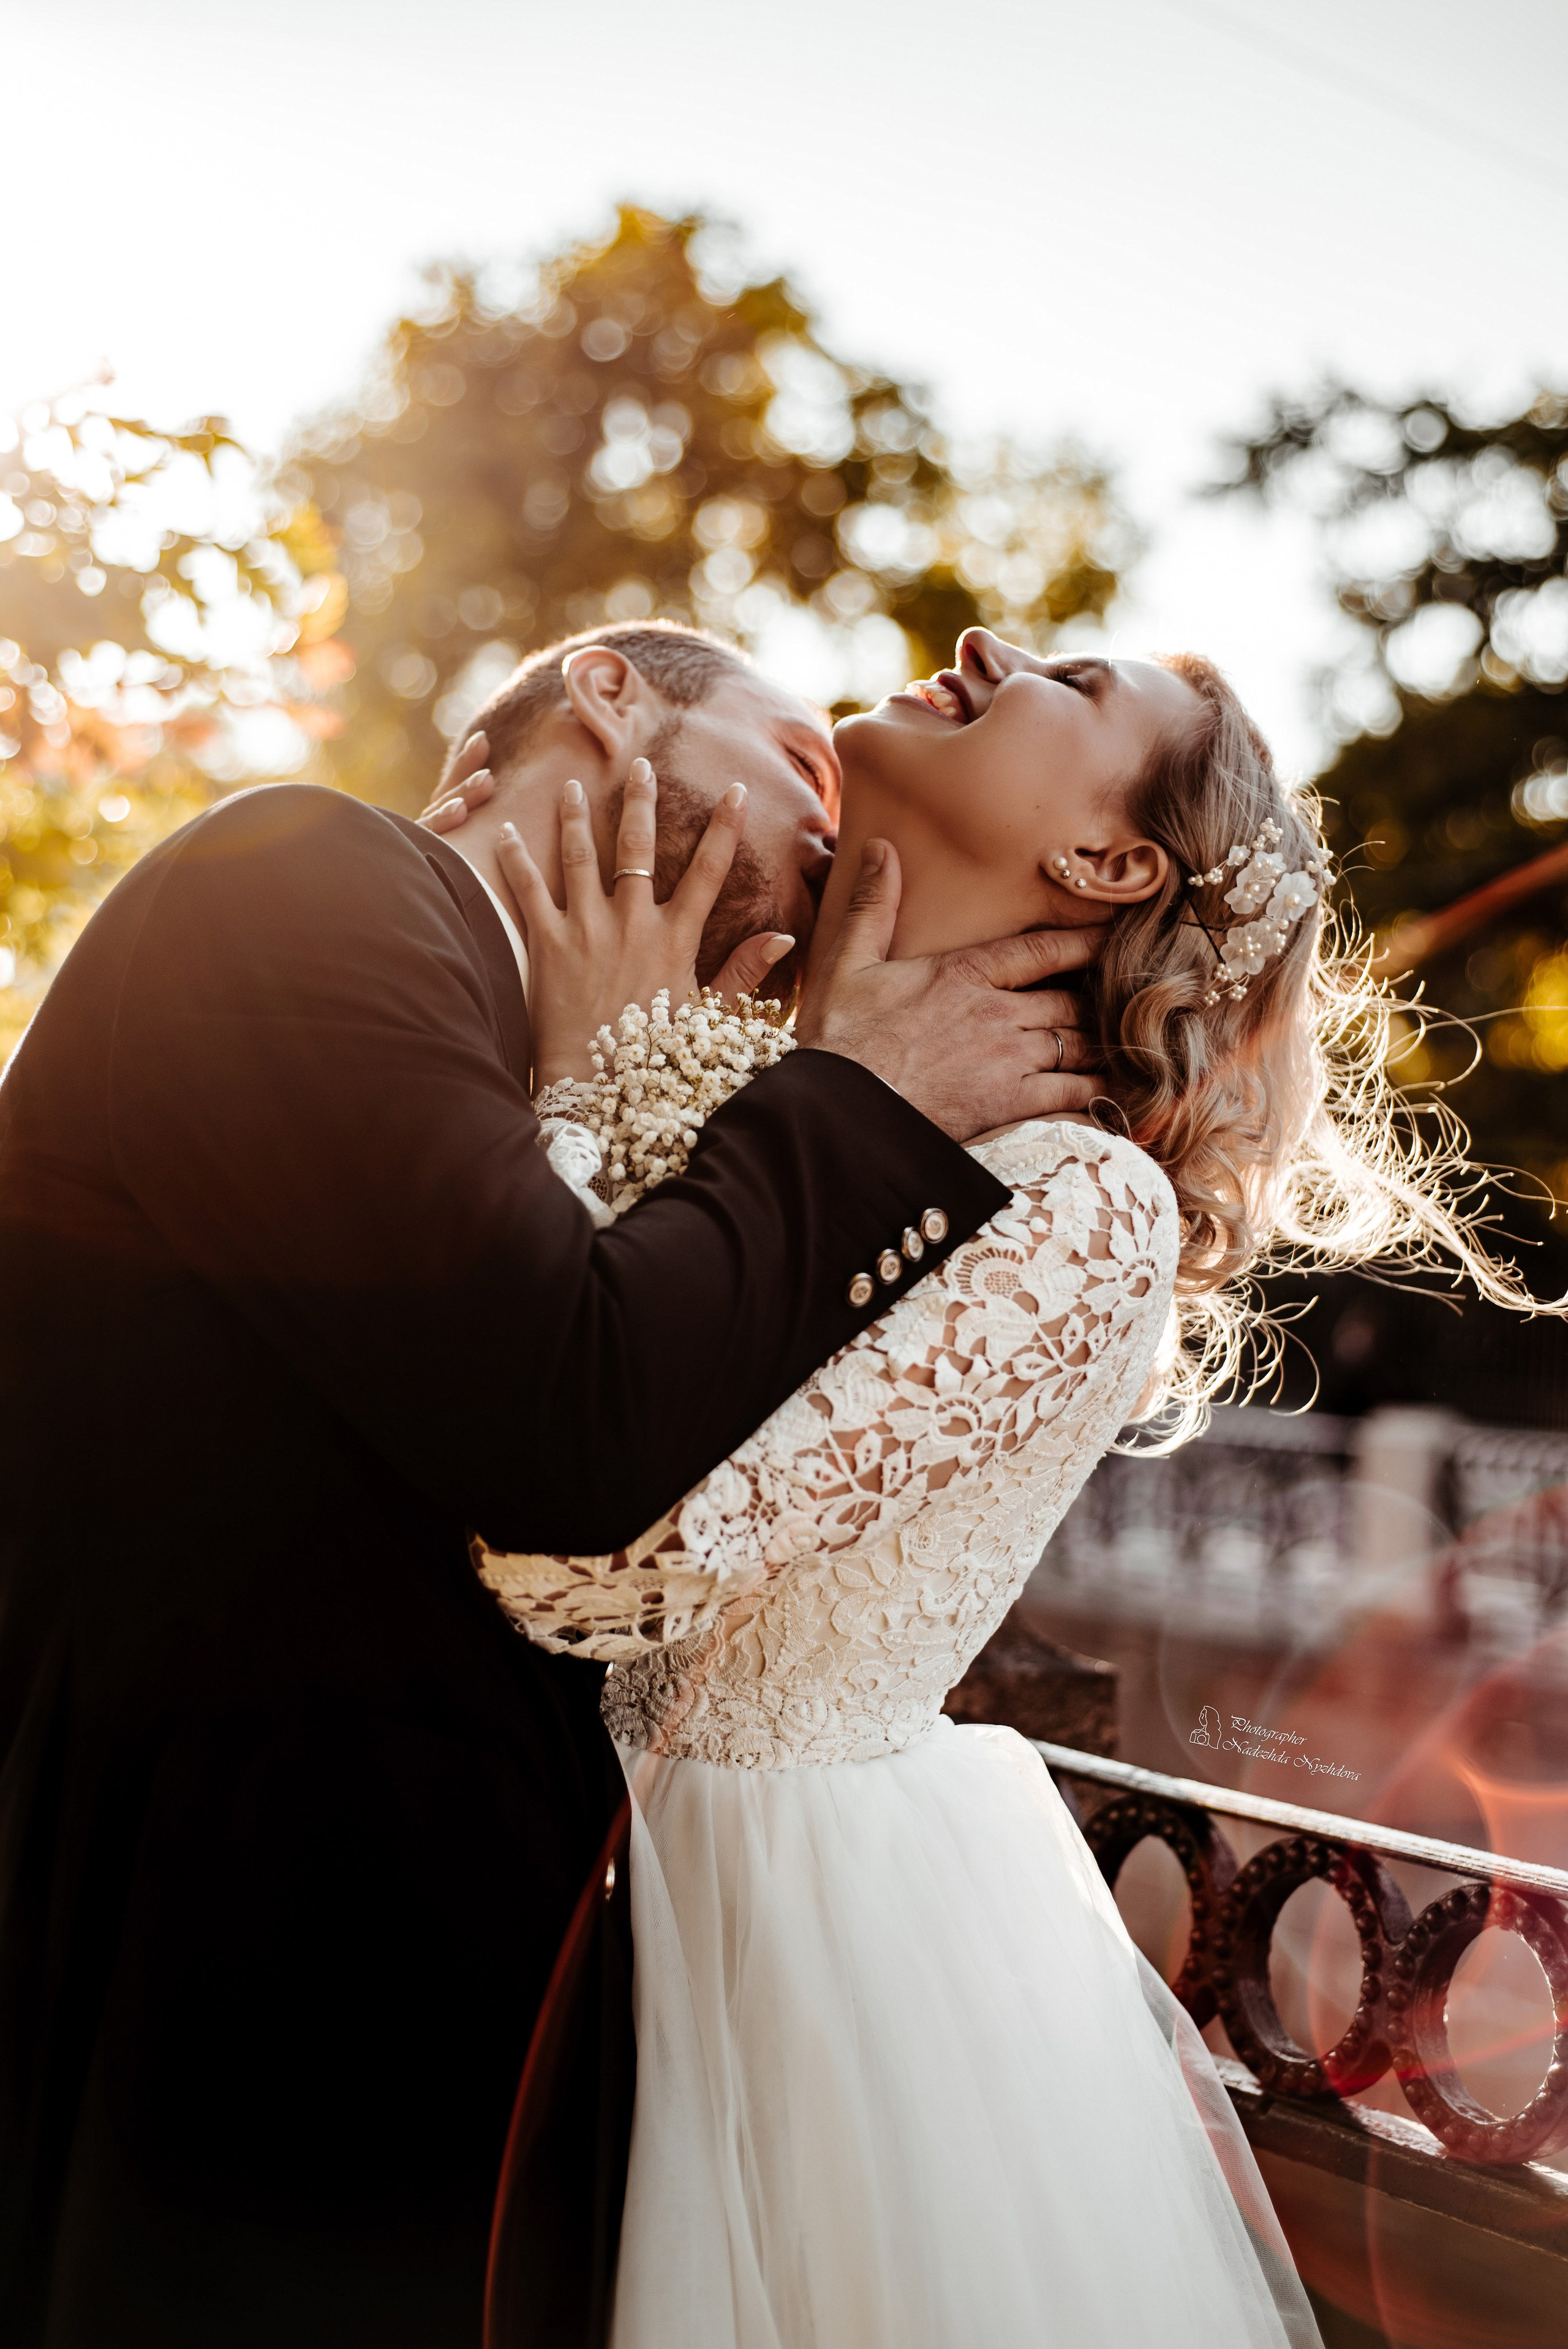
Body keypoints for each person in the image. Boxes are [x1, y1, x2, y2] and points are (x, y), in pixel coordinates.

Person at [0, 622, 1102, 2349]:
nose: (831, 846)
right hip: (227, 2042)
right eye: (801, 765)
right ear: (605, 693)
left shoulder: (501, 1059)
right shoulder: (303, 879)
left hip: (420, 2064)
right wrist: (860, 1099)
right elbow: (568, 1421)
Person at [475, 627, 1547, 2349]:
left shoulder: (1078, 1207)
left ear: (1108, 860)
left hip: (766, 1938)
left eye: (1074, 678)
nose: (986, 640)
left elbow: (598, 1574)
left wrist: (597, 1102)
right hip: (547, 1855)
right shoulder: (745, 1028)